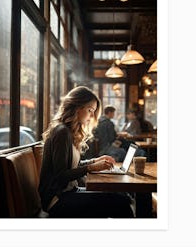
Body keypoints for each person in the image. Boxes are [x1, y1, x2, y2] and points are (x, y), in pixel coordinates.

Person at [38, 86, 134, 218]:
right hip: (56, 200)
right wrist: (91, 167)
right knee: (122, 203)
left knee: (121, 196)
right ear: (77, 107)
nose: (92, 116)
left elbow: (72, 166)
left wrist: (95, 161)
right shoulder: (62, 132)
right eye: (90, 110)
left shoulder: (67, 131)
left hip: (68, 192)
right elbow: (60, 175)